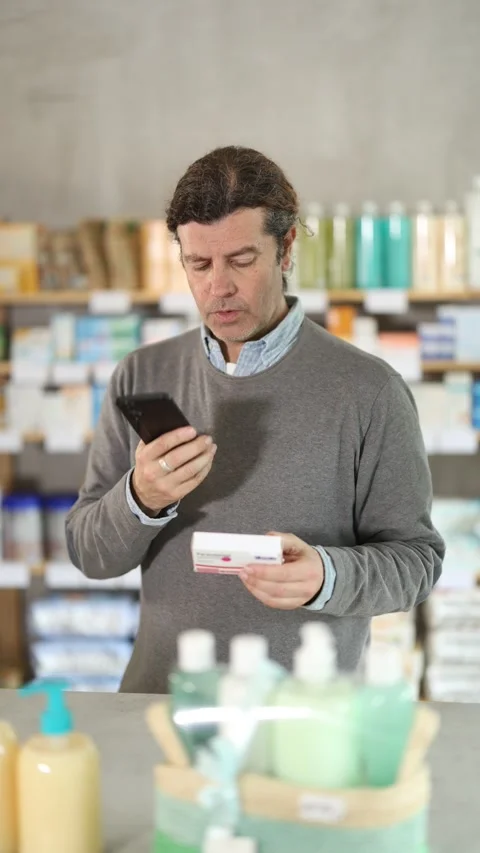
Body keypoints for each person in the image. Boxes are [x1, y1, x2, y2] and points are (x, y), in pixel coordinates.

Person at [66, 146, 444, 693]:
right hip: (162, 702)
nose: (218, 286)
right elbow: (89, 554)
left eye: (241, 260)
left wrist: (327, 575)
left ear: (286, 248)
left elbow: (417, 562)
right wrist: (140, 499)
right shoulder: (142, 375)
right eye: (199, 264)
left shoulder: (369, 391)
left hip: (306, 718)